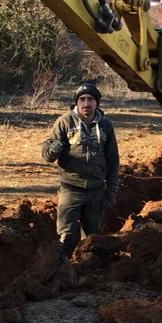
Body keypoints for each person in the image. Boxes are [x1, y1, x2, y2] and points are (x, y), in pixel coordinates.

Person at [41, 81, 120, 258]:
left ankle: (88, 273)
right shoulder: (64, 122)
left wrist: (112, 191)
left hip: (96, 190)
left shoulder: (106, 126)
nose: (86, 103)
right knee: (67, 236)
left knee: (92, 238)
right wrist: (53, 149)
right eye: (82, 99)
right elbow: (47, 154)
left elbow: (113, 160)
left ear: (97, 102)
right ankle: (63, 271)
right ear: (76, 102)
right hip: (70, 189)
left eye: (90, 99)